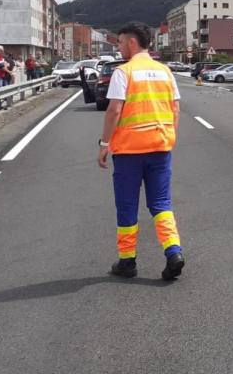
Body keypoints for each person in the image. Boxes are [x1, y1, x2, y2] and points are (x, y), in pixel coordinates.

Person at [98, 22, 185, 281]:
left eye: (121, 43)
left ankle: (127, 261)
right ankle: (173, 251)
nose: (119, 47)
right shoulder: (165, 71)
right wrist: (169, 138)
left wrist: (104, 144)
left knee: (127, 205)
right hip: (160, 147)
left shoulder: (124, 72)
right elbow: (176, 108)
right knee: (161, 204)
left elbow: (114, 110)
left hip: (129, 151)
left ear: (133, 43)